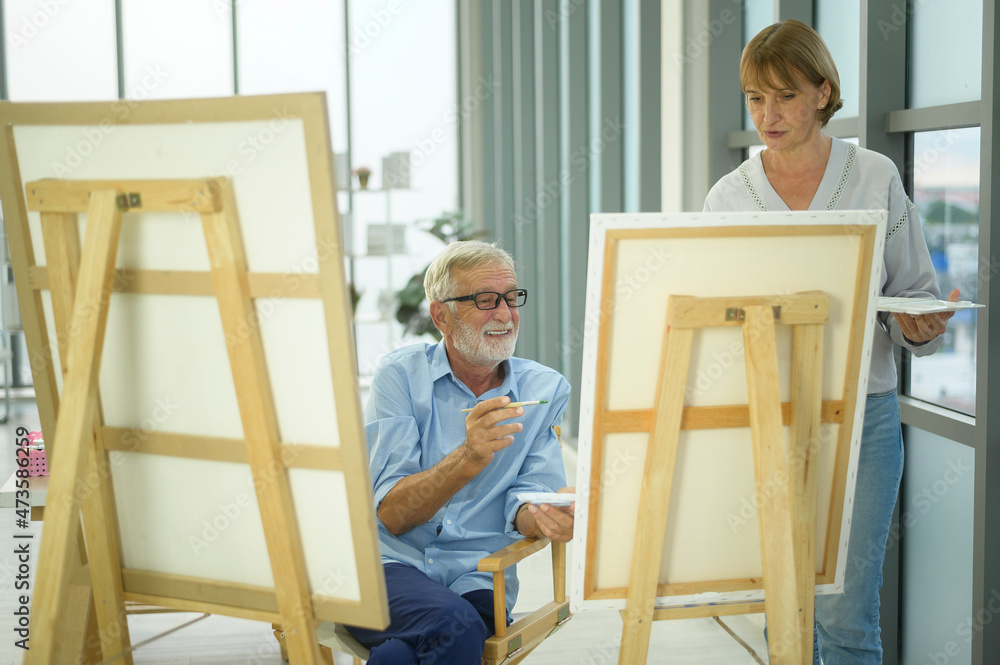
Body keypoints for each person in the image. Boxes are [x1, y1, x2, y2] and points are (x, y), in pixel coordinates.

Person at [704, 20, 960, 665]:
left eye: (785, 95)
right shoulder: (728, 198)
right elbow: (712, 322)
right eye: (755, 99)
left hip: (863, 419)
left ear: (823, 91)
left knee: (847, 616)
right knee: (782, 615)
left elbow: (914, 296)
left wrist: (920, 327)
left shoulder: (874, 176)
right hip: (765, 419)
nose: (768, 114)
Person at [347, 240, 574, 664]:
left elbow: (527, 498)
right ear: (441, 315)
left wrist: (546, 515)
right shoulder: (400, 376)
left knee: (401, 656)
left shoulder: (545, 390)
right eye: (485, 301)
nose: (505, 314)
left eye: (511, 298)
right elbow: (394, 516)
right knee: (459, 627)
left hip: (481, 576)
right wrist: (468, 457)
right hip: (387, 569)